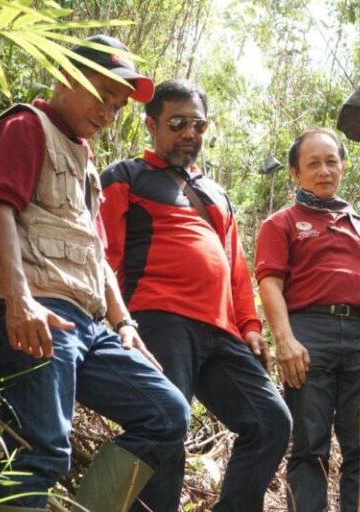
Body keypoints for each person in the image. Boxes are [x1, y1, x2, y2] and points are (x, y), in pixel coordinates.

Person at [0, 35, 190, 511]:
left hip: (89, 324)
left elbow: (96, 252)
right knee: (41, 452)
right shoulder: (25, 126)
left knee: (166, 413)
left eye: (118, 106)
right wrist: (19, 301)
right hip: (40, 311)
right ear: (65, 77)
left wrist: (124, 324)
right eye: (102, 94)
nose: (108, 113)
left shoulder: (84, 158)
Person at [99, 79, 291, 511]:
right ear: (151, 124)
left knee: (271, 421)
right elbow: (102, 254)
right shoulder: (125, 176)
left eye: (198, 125)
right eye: (177, 123)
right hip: (158, 318)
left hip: (221, 332)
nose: (189, 133)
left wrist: (251, 326)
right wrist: (114, 322)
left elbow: (236, 268)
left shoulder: (215, 193)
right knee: (168, 428)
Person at [255, 127, 360, 512]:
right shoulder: (281, 223)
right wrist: (285, 340)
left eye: (332, 162)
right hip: (309, 333)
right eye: (313, 164)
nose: (324, 170)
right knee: (309, 444)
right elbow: (269, 284)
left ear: (344, 166)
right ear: (296, 173)